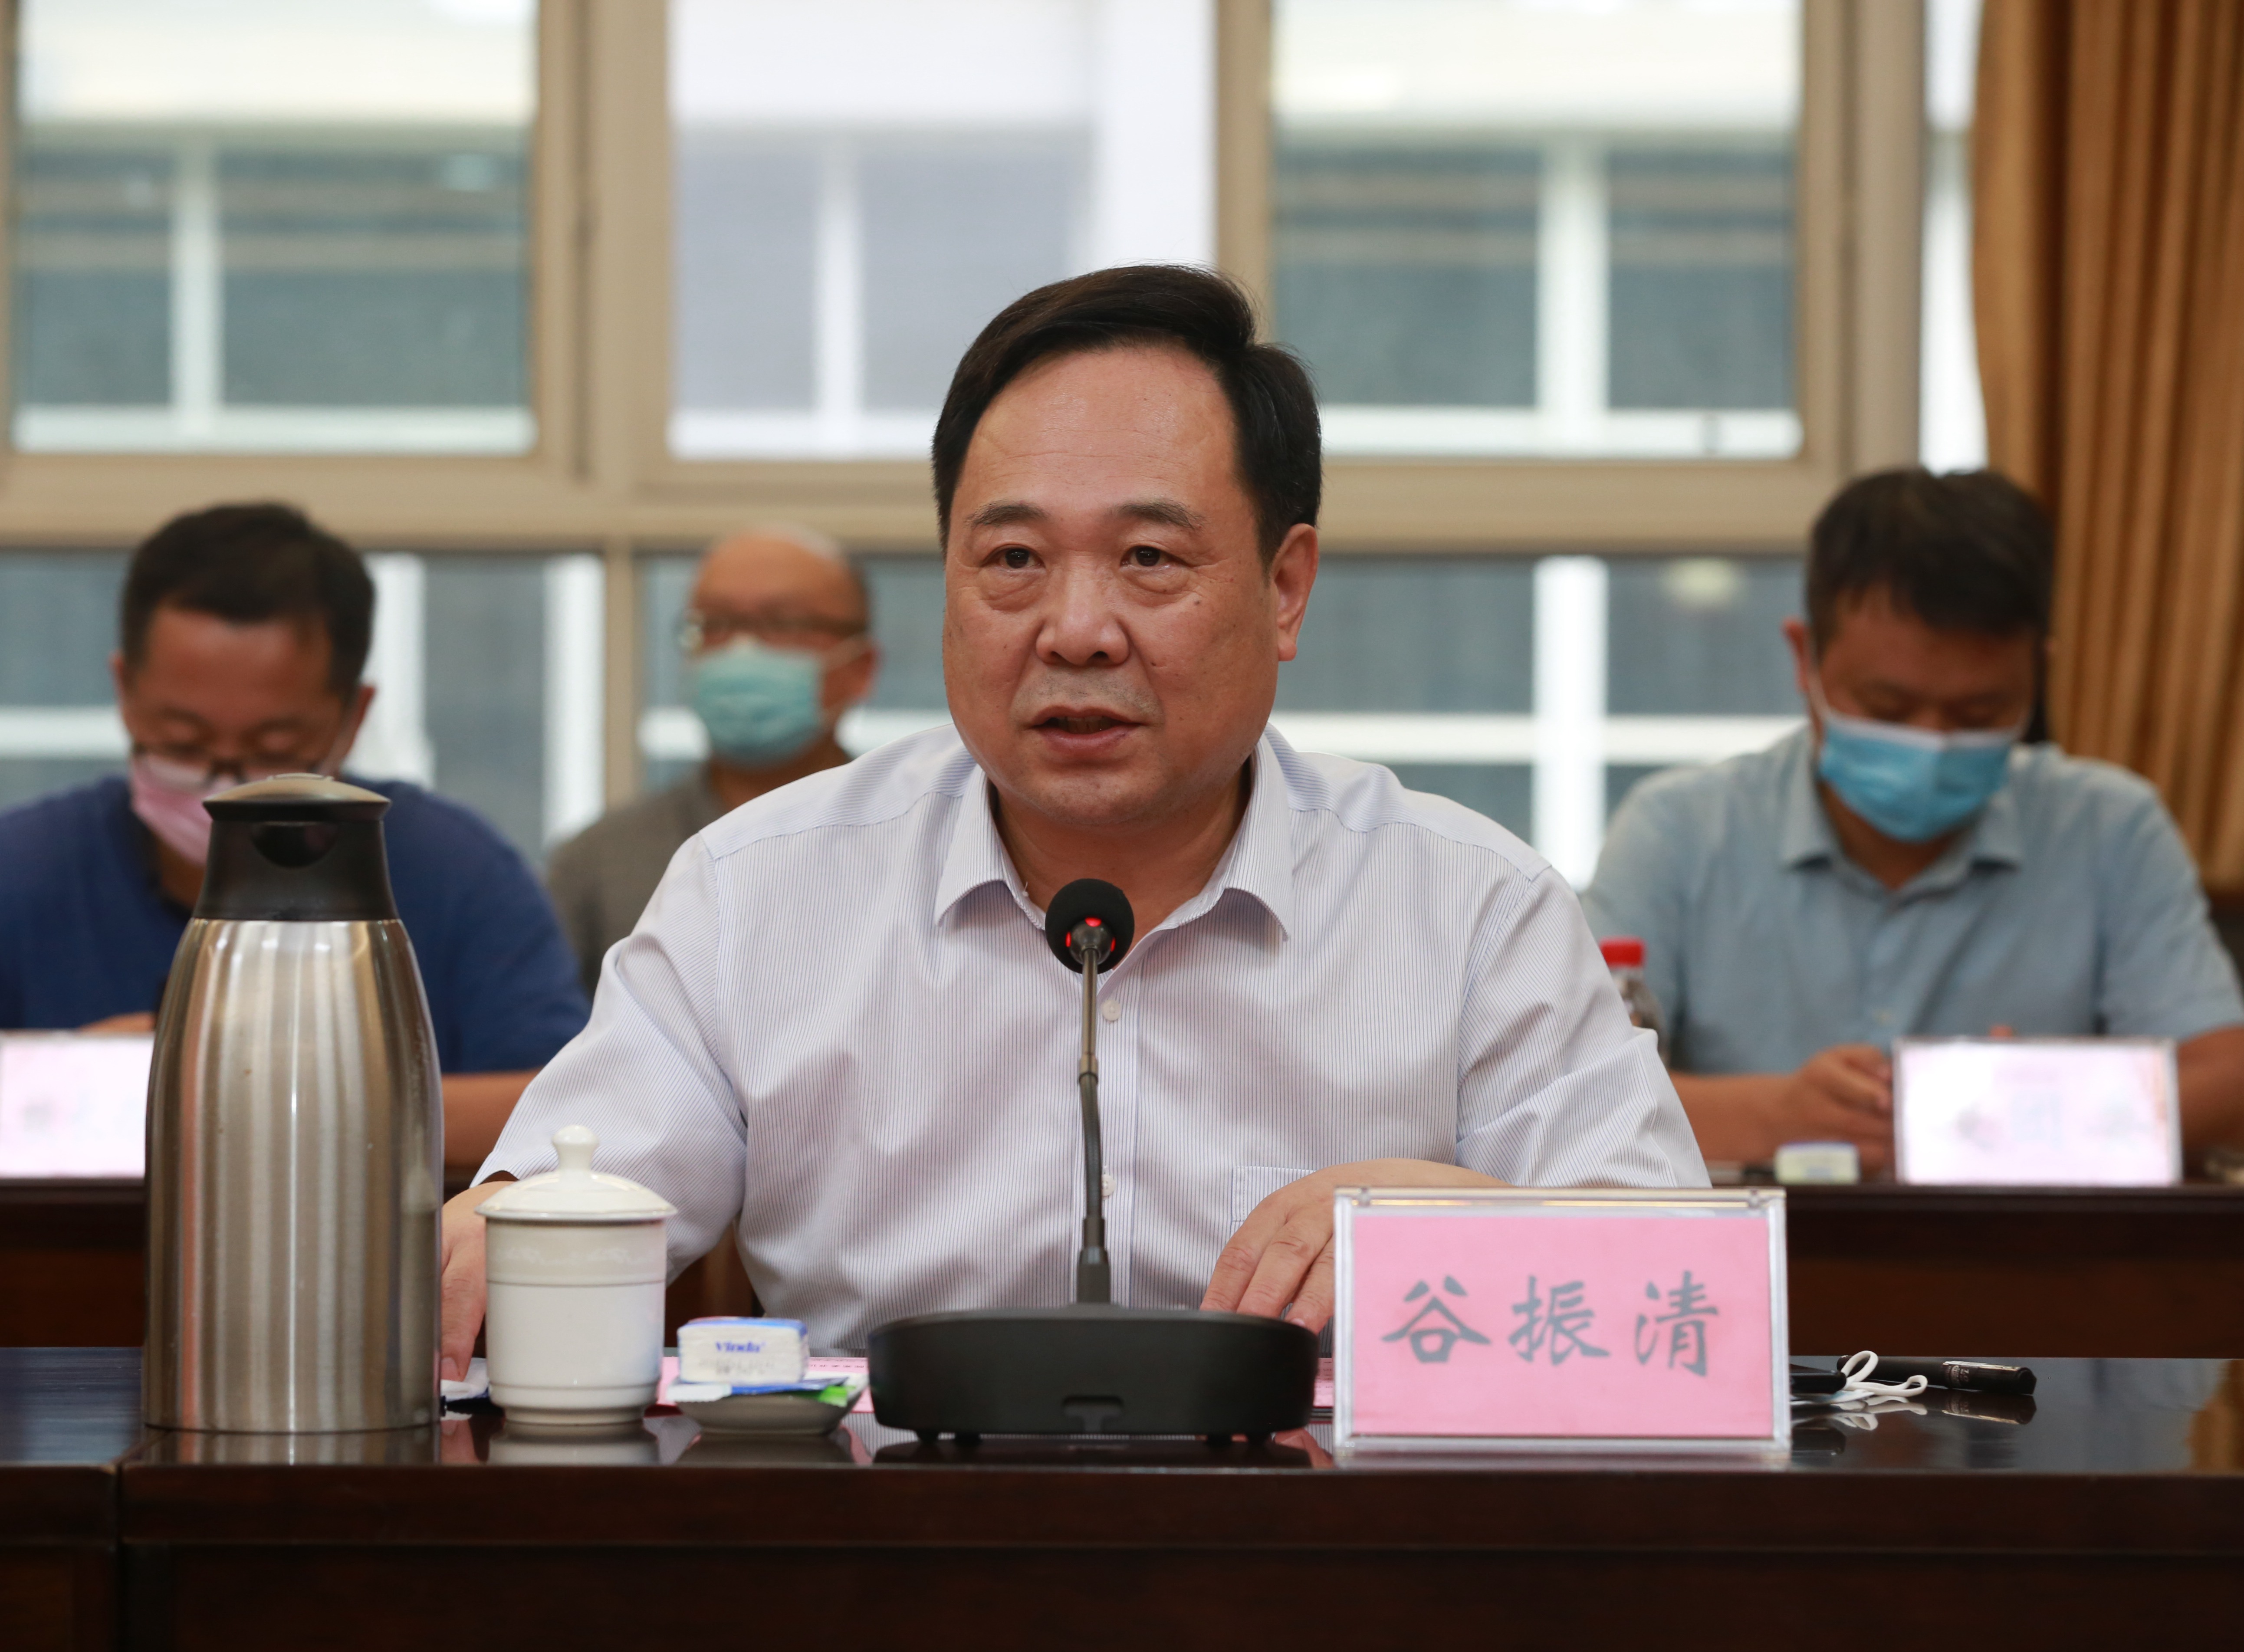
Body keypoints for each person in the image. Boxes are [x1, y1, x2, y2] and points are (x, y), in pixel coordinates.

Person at [440, 265, 1703, 1373]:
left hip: (1322, 1535)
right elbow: (566, 1196)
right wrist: (495, 1236)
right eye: (1013, 561)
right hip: (887, 1530)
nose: (1077, 629)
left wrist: (1441, 1224)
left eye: (1149, 559)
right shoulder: (757, 891)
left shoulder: (1466, 905)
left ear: (1284, 587)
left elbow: (1679, 1295)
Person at [1583, 468, 2244, 1173]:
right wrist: (1777, 1117)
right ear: (1805, 658)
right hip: (1757, 1238)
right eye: (1887, 708)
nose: (1932, 742)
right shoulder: (1679, 830)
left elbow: (2227, 1080)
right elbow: (1565, 1091)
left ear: (2037, 674)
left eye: (1979, 712)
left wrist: (2036, 1104)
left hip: (2021, 1239)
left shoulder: (2108, 828)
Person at [0, 503, 591, 1172]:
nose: (221, 784)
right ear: (124, 692)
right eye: (182, 741)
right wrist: (73, 1081)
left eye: (273, 748)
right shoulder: (21, 870)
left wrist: (289, 1098)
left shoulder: (460, 875)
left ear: (352, 716)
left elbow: (568, 1114)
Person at [544, 526, 877, 998]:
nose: (742, 649)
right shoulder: (599, 864)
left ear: (860, 667)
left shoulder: (920, 845)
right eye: (715, 624)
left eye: (783, 624)